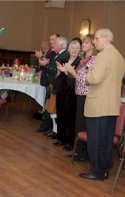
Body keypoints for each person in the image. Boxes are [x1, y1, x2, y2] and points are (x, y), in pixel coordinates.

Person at [79, 28, 125, 181]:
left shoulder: (103, 56)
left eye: (97, 39)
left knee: (96, 141)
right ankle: (104, 170)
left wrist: (87, 74)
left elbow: (94, 78)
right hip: (111, 106)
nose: (94, 41)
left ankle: (96, 171)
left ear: (106, 39)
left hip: (98, 105)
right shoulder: (119, 56)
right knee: (105, 141)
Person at [57, 34, 96, 161]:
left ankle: (82, 153)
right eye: (83, 43)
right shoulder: (84, 60)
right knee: (79, 124)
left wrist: (68, 71)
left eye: (85, 43)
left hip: (85, 95)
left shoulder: (92, 60)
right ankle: (78, 151)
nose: (83, 45)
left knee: (81, 124)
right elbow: (78, 76)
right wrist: (66, 71)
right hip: (79, 93)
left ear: (92, 45)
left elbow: (85, 79)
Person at [54, 39, 81, 151]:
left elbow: (77, 78)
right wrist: (59, 71)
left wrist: (66, 71)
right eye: (72, 48)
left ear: (79, 50)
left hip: (71, 92)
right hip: (61, 90)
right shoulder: (64, 59)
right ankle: (61, 138)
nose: (74, 50)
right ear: (69, 49)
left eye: (76, 48)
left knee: (70, 116)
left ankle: (70, 142)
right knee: (60, 114)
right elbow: (58, 75)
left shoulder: (80, 62)